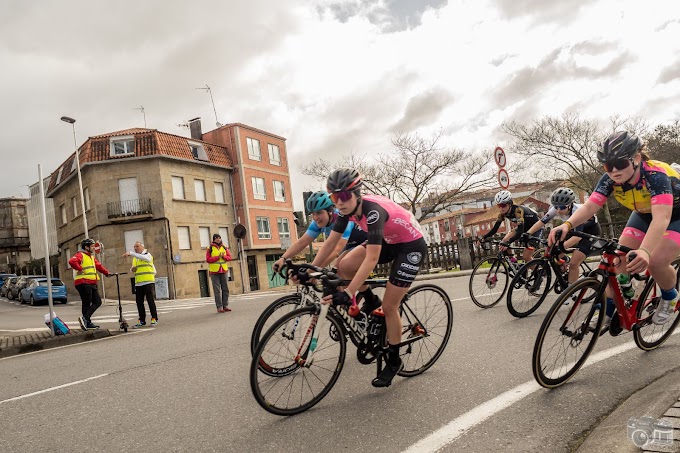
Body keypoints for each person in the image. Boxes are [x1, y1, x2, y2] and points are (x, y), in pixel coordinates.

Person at [549, 131, 680, 327]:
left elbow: (663, 217)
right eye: (608, 166)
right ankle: (609, 311)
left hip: (674, 215)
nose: (614, 171)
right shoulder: (610, 179)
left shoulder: (655, 175)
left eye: (620, 164)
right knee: (617, 260)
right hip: (644, 214)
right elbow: (590, 206)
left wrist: (645, 250)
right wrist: (567, 225)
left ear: (636, 158)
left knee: (656, 261)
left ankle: (670, 297)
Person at [313, 168, 427, 388]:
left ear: (357, 193)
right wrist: (310, 269)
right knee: (344, 265)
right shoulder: (345, 212)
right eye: (335, 198)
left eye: (345, 196)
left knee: (390, 306)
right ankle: (371, 302)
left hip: (410, 245)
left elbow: (372, 259)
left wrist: (348, 293)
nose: (340, 202)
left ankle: (394, 360)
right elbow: (329, 244)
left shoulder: (373, 211)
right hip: (389, 241)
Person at [272, 191, 367, 273]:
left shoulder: (343, 219)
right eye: (313, 214)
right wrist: (283, 258)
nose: (315, 218)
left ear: (330, 211)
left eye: (319, 213)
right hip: (350, 245)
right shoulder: (317, 223)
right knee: (335, 274)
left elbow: (336, 250)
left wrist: (313, 271)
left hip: (366, 242)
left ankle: (361, 293)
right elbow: (302, 242)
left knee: (341, 267)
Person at [525, 187, 601, 284]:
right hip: (571, 230)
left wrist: (560, 247)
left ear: (570, 205)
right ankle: (565, 262)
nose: (558, 210)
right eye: (556, 207)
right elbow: (542, 222)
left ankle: (569, 291)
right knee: (553, 254)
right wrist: (528, 233)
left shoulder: (577, 211)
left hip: (589, 233)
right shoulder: (556, 208)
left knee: (574, 263)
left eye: (562, 208)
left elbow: (577, 237)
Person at [480, 190, 542, 263]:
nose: (501, 208)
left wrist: (509, 242)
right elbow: (495, 229)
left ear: (510, 204)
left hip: (536, 228)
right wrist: (484, 237)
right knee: (503, 241)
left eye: (503, 205)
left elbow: (520, 231)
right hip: (524, 227)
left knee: (526, 257)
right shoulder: (502, 214)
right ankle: (513, 261)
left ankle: (538, 272)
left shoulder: (518, 211)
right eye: (499, 206)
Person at [68, 238, 111, 331]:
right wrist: (80, 269)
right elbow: (71, 261)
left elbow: (98, 266)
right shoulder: (81, 255)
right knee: (93, 302)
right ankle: (86, 320)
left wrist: (107, 273)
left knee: (92, 302)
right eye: (92, 246)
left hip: (90, 282)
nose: (93, 248)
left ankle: (86, 322)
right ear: (86, 247)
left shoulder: (91, 257)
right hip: (84, 282)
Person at [123, 241, 158, 328]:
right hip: (139, 283)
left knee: (150, 301)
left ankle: (154, 318)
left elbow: (146, 259)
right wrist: (132, 269)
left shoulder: (147, 254)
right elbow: (133, 269)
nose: (135, 248)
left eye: (137, 246)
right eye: (134, 247)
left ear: (142, 247)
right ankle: (141, 320)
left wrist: (131, 253)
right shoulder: (135, 258)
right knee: (139, 302)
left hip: (148, 282)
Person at [206, 233, 232, 313]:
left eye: (219, 238)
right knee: (217, 290)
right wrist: (218, 257)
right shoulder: (210, 248)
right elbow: (208, 259)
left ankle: (225, 306)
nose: (218, 239)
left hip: (223, 270)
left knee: (225, 289)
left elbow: (229, 257)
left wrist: (223, 257)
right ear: (213, 239)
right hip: (214, 272)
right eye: (216, 238)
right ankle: (219, 307)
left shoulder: (224, 247)